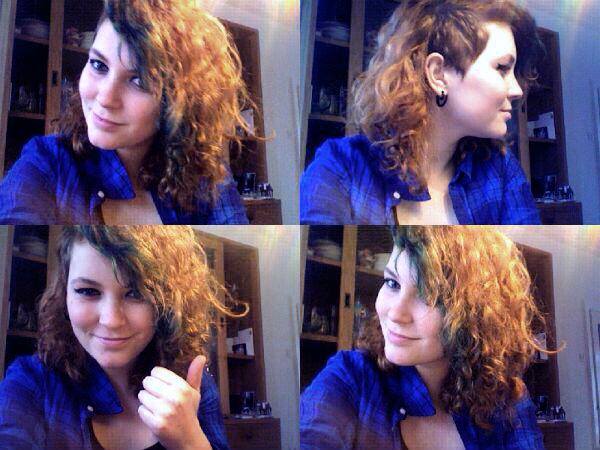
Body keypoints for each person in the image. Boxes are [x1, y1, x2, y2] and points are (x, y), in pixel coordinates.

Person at [0, 0, 253, 224]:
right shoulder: (47, 162)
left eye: (139, 81)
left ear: (177, 102)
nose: (105, 98)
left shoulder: (205, 179)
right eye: (98, 65)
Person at [301, 226, 553, 449]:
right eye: (392, 283)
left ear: (475, 315)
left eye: (428, 296)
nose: (395, 314)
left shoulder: (506, 400)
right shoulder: (350, 378)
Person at [0, 226, 247, 449]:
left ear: (167, 303)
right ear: (64, 295)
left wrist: (190, 443)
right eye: (88, 291)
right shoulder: (30, 384)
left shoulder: (191, 386)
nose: (111, 320)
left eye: (136, 293)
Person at [301, 0, 544, 224]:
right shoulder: (342, 169)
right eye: (502, 68)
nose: (517, 90)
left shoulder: (500, 170)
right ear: (438, 74)